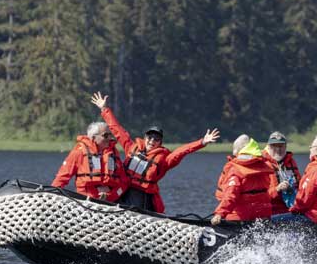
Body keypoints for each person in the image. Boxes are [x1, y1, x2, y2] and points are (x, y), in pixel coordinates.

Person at [90, 92, 220, 212]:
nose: (152, 141)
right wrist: (104, 108)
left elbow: (181, 151)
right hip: (122, 190)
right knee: (109, 195)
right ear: (145, 137)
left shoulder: (164, 160)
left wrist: (202, 142)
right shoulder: (131, 147)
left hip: (141, 197)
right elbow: (117, 129)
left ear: (160, 142)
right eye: (150, 137)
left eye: (156, 139)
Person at [51, 121, 128, 201]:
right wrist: (52, 195)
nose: (109, 138)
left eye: (110, 135)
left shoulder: (113, 154)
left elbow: (123, 182)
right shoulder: (79, 152)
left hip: (110, 202)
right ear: (94, 138)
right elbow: (62, 177)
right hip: (84, 202)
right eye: (105, 135)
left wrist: (111, 195)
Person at [211, 135, 274, 225]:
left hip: (240, 216)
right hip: (263, 213)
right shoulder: (263, 165)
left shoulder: (236, 169)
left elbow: (231, 194)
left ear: (237, 152)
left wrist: (219, 214)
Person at [262, 131, 301, 215]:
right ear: (268, 147)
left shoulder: (291, 162)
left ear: (285, 147)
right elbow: (258, 196)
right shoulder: (261, 164)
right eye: (274, 146)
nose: (278, 149)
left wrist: (292, 188)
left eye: (281, 146)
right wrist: (277, 189)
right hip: (271, 212)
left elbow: (299, 185)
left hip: (290, 210)